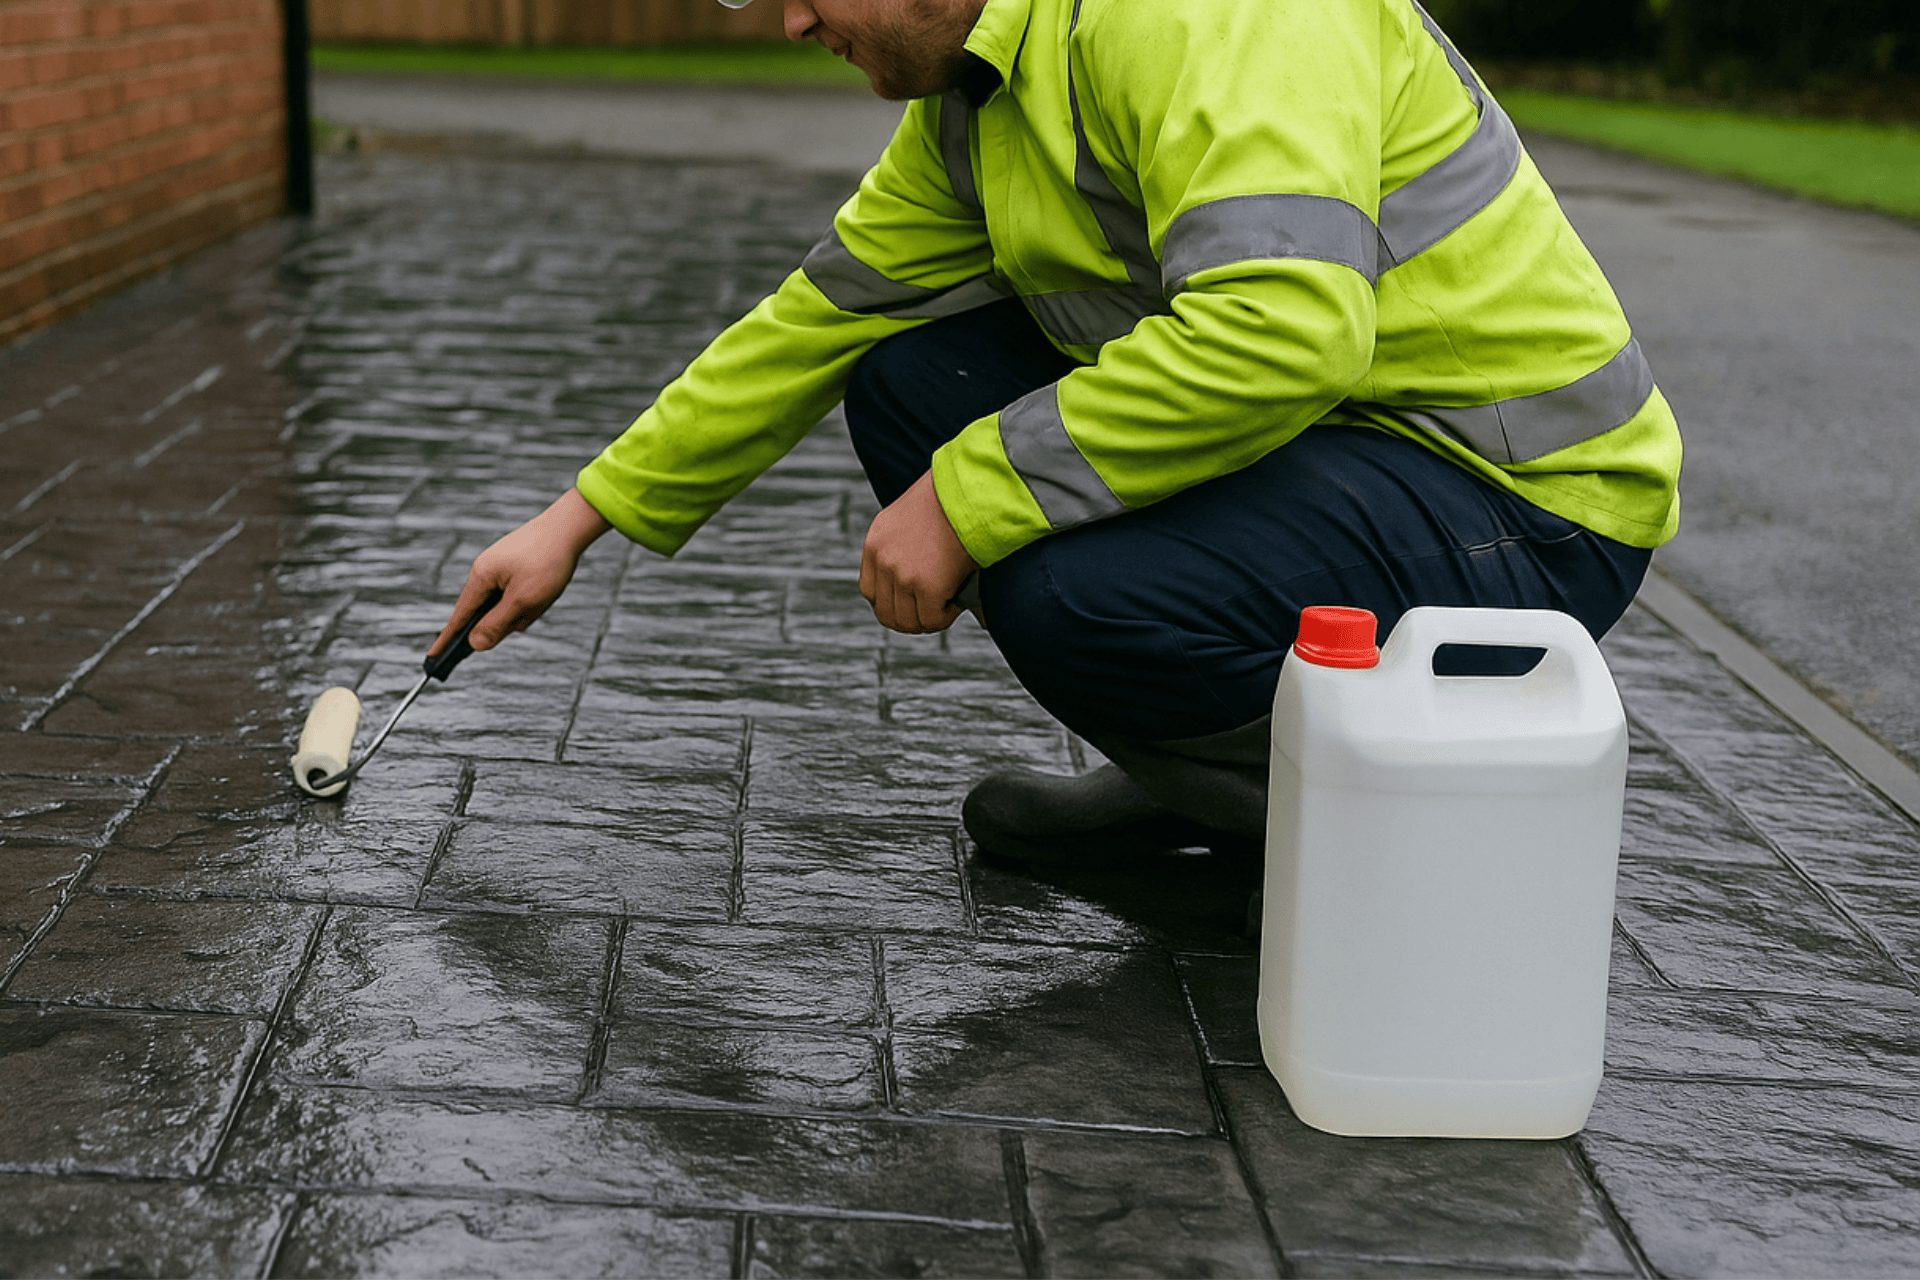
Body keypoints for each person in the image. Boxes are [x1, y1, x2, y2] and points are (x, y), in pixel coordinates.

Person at [430, 0, 1681, 864]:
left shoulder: (1202, 16)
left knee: (1069, 589)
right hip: (1343, 442)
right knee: (907, 379)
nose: (794, 21)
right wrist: (574, 521)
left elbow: (1285, 329)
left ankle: (1339, 826)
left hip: (1518, 501)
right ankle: (1221, 783)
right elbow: (821, 316)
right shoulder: (985, 97)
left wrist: (971, 493)